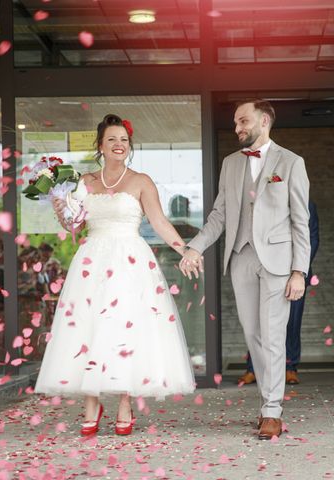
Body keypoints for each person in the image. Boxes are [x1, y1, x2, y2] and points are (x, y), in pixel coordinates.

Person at [34, 114, 196, 436]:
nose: (118, 145)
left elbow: (160, 222)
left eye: (123, 140)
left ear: (129, 145)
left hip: (130, 262)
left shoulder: (141, 181)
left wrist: (185, 250)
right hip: (91, 261)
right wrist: (58, 206)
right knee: (87, 327)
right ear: (101, 146)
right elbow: (73, 224)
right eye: (112, 140)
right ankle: (91, 400)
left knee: (125, 328)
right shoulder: (85, 182)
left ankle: (125, 401)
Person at [179, 99, 310, 440]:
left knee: (273, 335)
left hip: (279, 262)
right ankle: (268, 402)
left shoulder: (292, 162)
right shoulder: (230, 164)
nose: (238, 128)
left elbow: (301, 221)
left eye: (243, 121)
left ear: (264, 120)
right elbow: (219, 215)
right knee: (254, 336)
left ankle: (272, 410)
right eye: (236, 122)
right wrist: (195, 246)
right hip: (241, 258)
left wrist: (300, 270)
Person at [238, 199, 319, 386]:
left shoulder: (307, 204)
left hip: (295, 274)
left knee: (292, 321)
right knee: (258, 321)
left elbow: (313, 238)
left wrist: (298, 268)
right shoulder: (265, 199)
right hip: (267, 270)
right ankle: (253, 368)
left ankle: (290, 367)